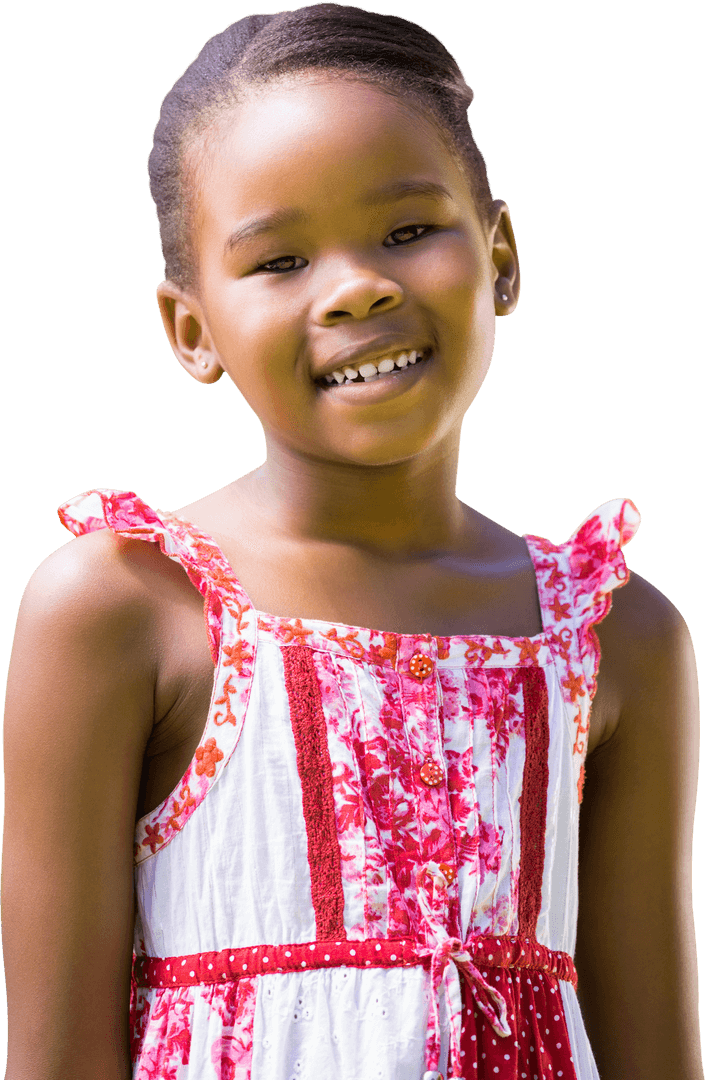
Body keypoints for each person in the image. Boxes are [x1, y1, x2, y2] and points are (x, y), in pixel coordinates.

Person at [2, 5, 701, 1079]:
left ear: (502, 257)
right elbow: (55, 1060)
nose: (358, 287)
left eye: (409, 231)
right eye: (279, 259)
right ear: (192, 331)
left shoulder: (613, 635)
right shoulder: (124, 605)